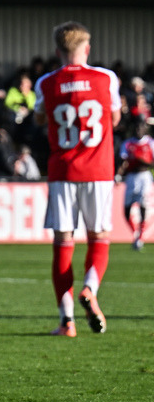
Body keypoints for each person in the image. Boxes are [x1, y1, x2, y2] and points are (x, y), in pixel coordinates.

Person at [35, 21, 121, 337]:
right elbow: (114, 117)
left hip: (63, 172)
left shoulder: (46, 82)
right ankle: (90, 288)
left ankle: (66, 321)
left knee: (63, 242)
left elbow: (39, 118)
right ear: (87, 49)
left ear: (58, 52)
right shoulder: (106, 78)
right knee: (99, 236)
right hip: (98, 170)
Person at [118, 121, 153, 251]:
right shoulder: (127, 143)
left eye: (141, 127)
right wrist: (118, 174)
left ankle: (141, 237)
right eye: (136, 127)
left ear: (145, 129)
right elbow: (124, 162)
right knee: (126, 210)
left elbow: (151, 162)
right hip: (131, 178)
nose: (138, 130)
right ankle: (135, 233)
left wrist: (141, 161)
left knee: (143, 206)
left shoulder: (150, 143)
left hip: (144, 177)